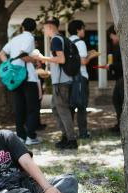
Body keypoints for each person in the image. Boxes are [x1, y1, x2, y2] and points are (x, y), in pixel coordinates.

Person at [34, 17, 78, 150]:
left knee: (63, 110)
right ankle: (66, 136)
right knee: (56, 107)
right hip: (62, 80)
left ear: (50, 27)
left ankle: (71, 139)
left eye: (44, 27)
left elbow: (61, 59)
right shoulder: (62, 39)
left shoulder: (55, 40)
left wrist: (42, 58)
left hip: (61, 82)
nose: (43, 30)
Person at [0, 18, 42, 146]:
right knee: (32, 107)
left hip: (14, 78)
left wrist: (9, 66)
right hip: (28, 77)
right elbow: (23, 55)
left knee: (19, 108)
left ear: (22, 27)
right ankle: (31, 136)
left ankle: (21, 136)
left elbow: (1, 53)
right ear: (33, 28)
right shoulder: (29, 38)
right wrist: (36, 60)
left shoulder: (14, 39)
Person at [68, 19, 99, 139]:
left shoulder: (67, 42)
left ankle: (69, 132)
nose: (84, 31)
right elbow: (82, 61)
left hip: (69, 78)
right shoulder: (80, 43)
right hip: (80, 77)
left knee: (70, 106)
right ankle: (83, 132)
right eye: (83, 28)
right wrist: (92, 55)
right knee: (81, 106)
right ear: (78, 29)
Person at [107, 25, 123, 130]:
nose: (111, 39)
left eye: (111, 36)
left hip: (123, 79)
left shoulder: (122, 47)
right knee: (117, 101)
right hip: (119, 78)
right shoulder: (117, 47)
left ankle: (121, 125)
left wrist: (111, 66)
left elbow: (123, 64)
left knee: (118, 101)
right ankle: (120, 124)